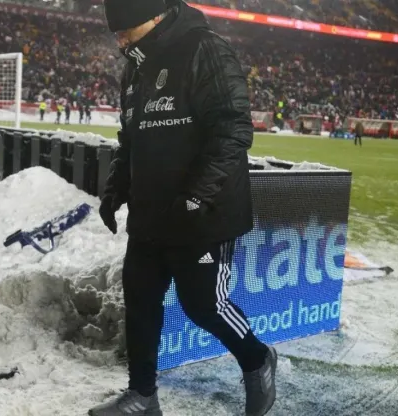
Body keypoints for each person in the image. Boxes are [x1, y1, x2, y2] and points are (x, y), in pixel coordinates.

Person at [94, 1, 277, 415]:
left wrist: (197, 195)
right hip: (150, 213)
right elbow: (131, 139)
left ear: (155, 16)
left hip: (202, 214)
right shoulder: (135, 64)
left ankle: (257, 359)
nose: (119, 39)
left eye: (125, 29)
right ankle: (142, 395)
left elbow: (233, 129)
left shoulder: (205, 49)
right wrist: (114, 189)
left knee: (204, 306)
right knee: (139, 301)